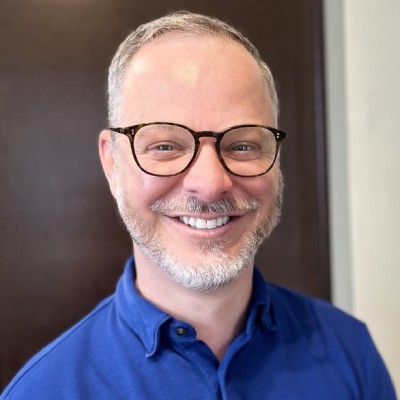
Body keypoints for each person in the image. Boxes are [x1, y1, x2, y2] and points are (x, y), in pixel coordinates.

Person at [1, 11, 396, 400]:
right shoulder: (44, 391)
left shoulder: (351, 353)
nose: (209, 185)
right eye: (165, 146)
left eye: (242, 144)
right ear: (111, 162)